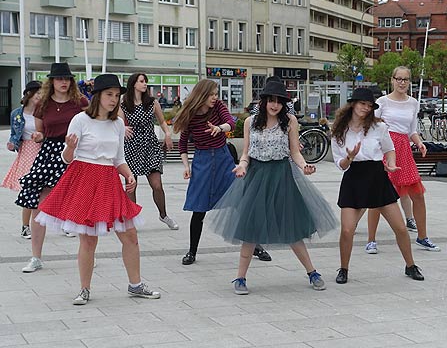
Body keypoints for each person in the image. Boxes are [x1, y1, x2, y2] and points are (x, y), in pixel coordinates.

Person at [34, 74, 161, 305]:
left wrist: (129, 174)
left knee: (130, 235)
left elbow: (118, 158)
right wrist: (70, 147)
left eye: (116, 96)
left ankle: (135, 284)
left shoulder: (118, 124)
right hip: (83, 178)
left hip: (109, 180)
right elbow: (66, 159)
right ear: (98, 96)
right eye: (109, 95)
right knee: (88, 239)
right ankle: (84, 289)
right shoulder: (81, 120)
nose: (114, 100)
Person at [208, 81, 337, 294]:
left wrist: (305, 165)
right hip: (256, 177)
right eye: (271, 100)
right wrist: (241, 165)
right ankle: (240, 278)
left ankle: (312, 272)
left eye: (279, 101)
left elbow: (295, 152)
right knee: (249, 229)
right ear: (264, 101)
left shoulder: (289, 122)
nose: (275, 105)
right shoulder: (250, 122)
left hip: (281, 176)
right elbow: (246, 152)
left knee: (292, 228)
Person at [173, 79, 272, 265]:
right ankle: (192, 251)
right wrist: (186, 166)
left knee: (240, 203)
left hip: (223, 159)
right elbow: (183, 143)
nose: (215, 97)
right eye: (212, 94)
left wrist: (219, 128)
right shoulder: (190, 113)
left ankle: (255, 246)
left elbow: (231, 123)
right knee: (199, 209)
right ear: (202, 95)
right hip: (201, 161)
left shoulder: (218, 106)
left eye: (216, 94)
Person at [331, 88, 424, 284]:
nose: (365, 108)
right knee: (347, 230)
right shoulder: (340, 130)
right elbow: (340, 164)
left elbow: (389, 149)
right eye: (362, 104)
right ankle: (344, 269)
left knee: (400, 227)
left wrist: (390, 164)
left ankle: (410, 265)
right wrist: (349, 157)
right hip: (354, 178)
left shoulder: (379, 127)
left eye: (369, 105)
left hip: (377, 177)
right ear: (353, 104)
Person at [16, 62, 89, 273]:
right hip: (49, 153)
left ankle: (87, 253)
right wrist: (38, 137)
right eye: (59, 79)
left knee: (79, 205)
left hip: (73, 152)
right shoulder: (43, 105)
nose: (63, 82)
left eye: (66, 79)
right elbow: (40, 134)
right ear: (52, 82)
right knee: (40, 204)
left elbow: (93, 122)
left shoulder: (80, 102)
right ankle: (36, 257)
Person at [367, 66, 441, 253]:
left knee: (418, 195)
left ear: (409, 82)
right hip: (385, 148)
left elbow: (411, 130)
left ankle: (422, 237)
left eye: (405, 79)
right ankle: (371, 240)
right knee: (378, 195)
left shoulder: (413, 103)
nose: (401, 82)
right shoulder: (382, 102)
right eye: (398, 79)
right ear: (392, 80)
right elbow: (372, 127)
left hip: (404, 150)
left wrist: (419, 143)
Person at [119, 73, 178, 230]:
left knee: (157, 184)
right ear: (134, 84)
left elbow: (162, 121)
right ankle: (131, 218)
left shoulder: (152, 103)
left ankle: (163, 215)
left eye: (145, 81)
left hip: (150, 146)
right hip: (131, 146)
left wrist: (167, 134)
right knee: (132, 184)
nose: (145, 84)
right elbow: (117, 122)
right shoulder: (124, 104)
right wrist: (123, 128)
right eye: (141, 81)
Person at [2, 81, 43, 239]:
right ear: (29, 95)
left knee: (47, 190)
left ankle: (59, 224)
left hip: (41, 151)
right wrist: (12, 144)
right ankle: (26, 226)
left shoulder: (43, 112)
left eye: (42, 94)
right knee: (29, 191)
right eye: (37, 94)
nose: (40, 97)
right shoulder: (17, 114)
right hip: (26, 152)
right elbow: (14, 134)